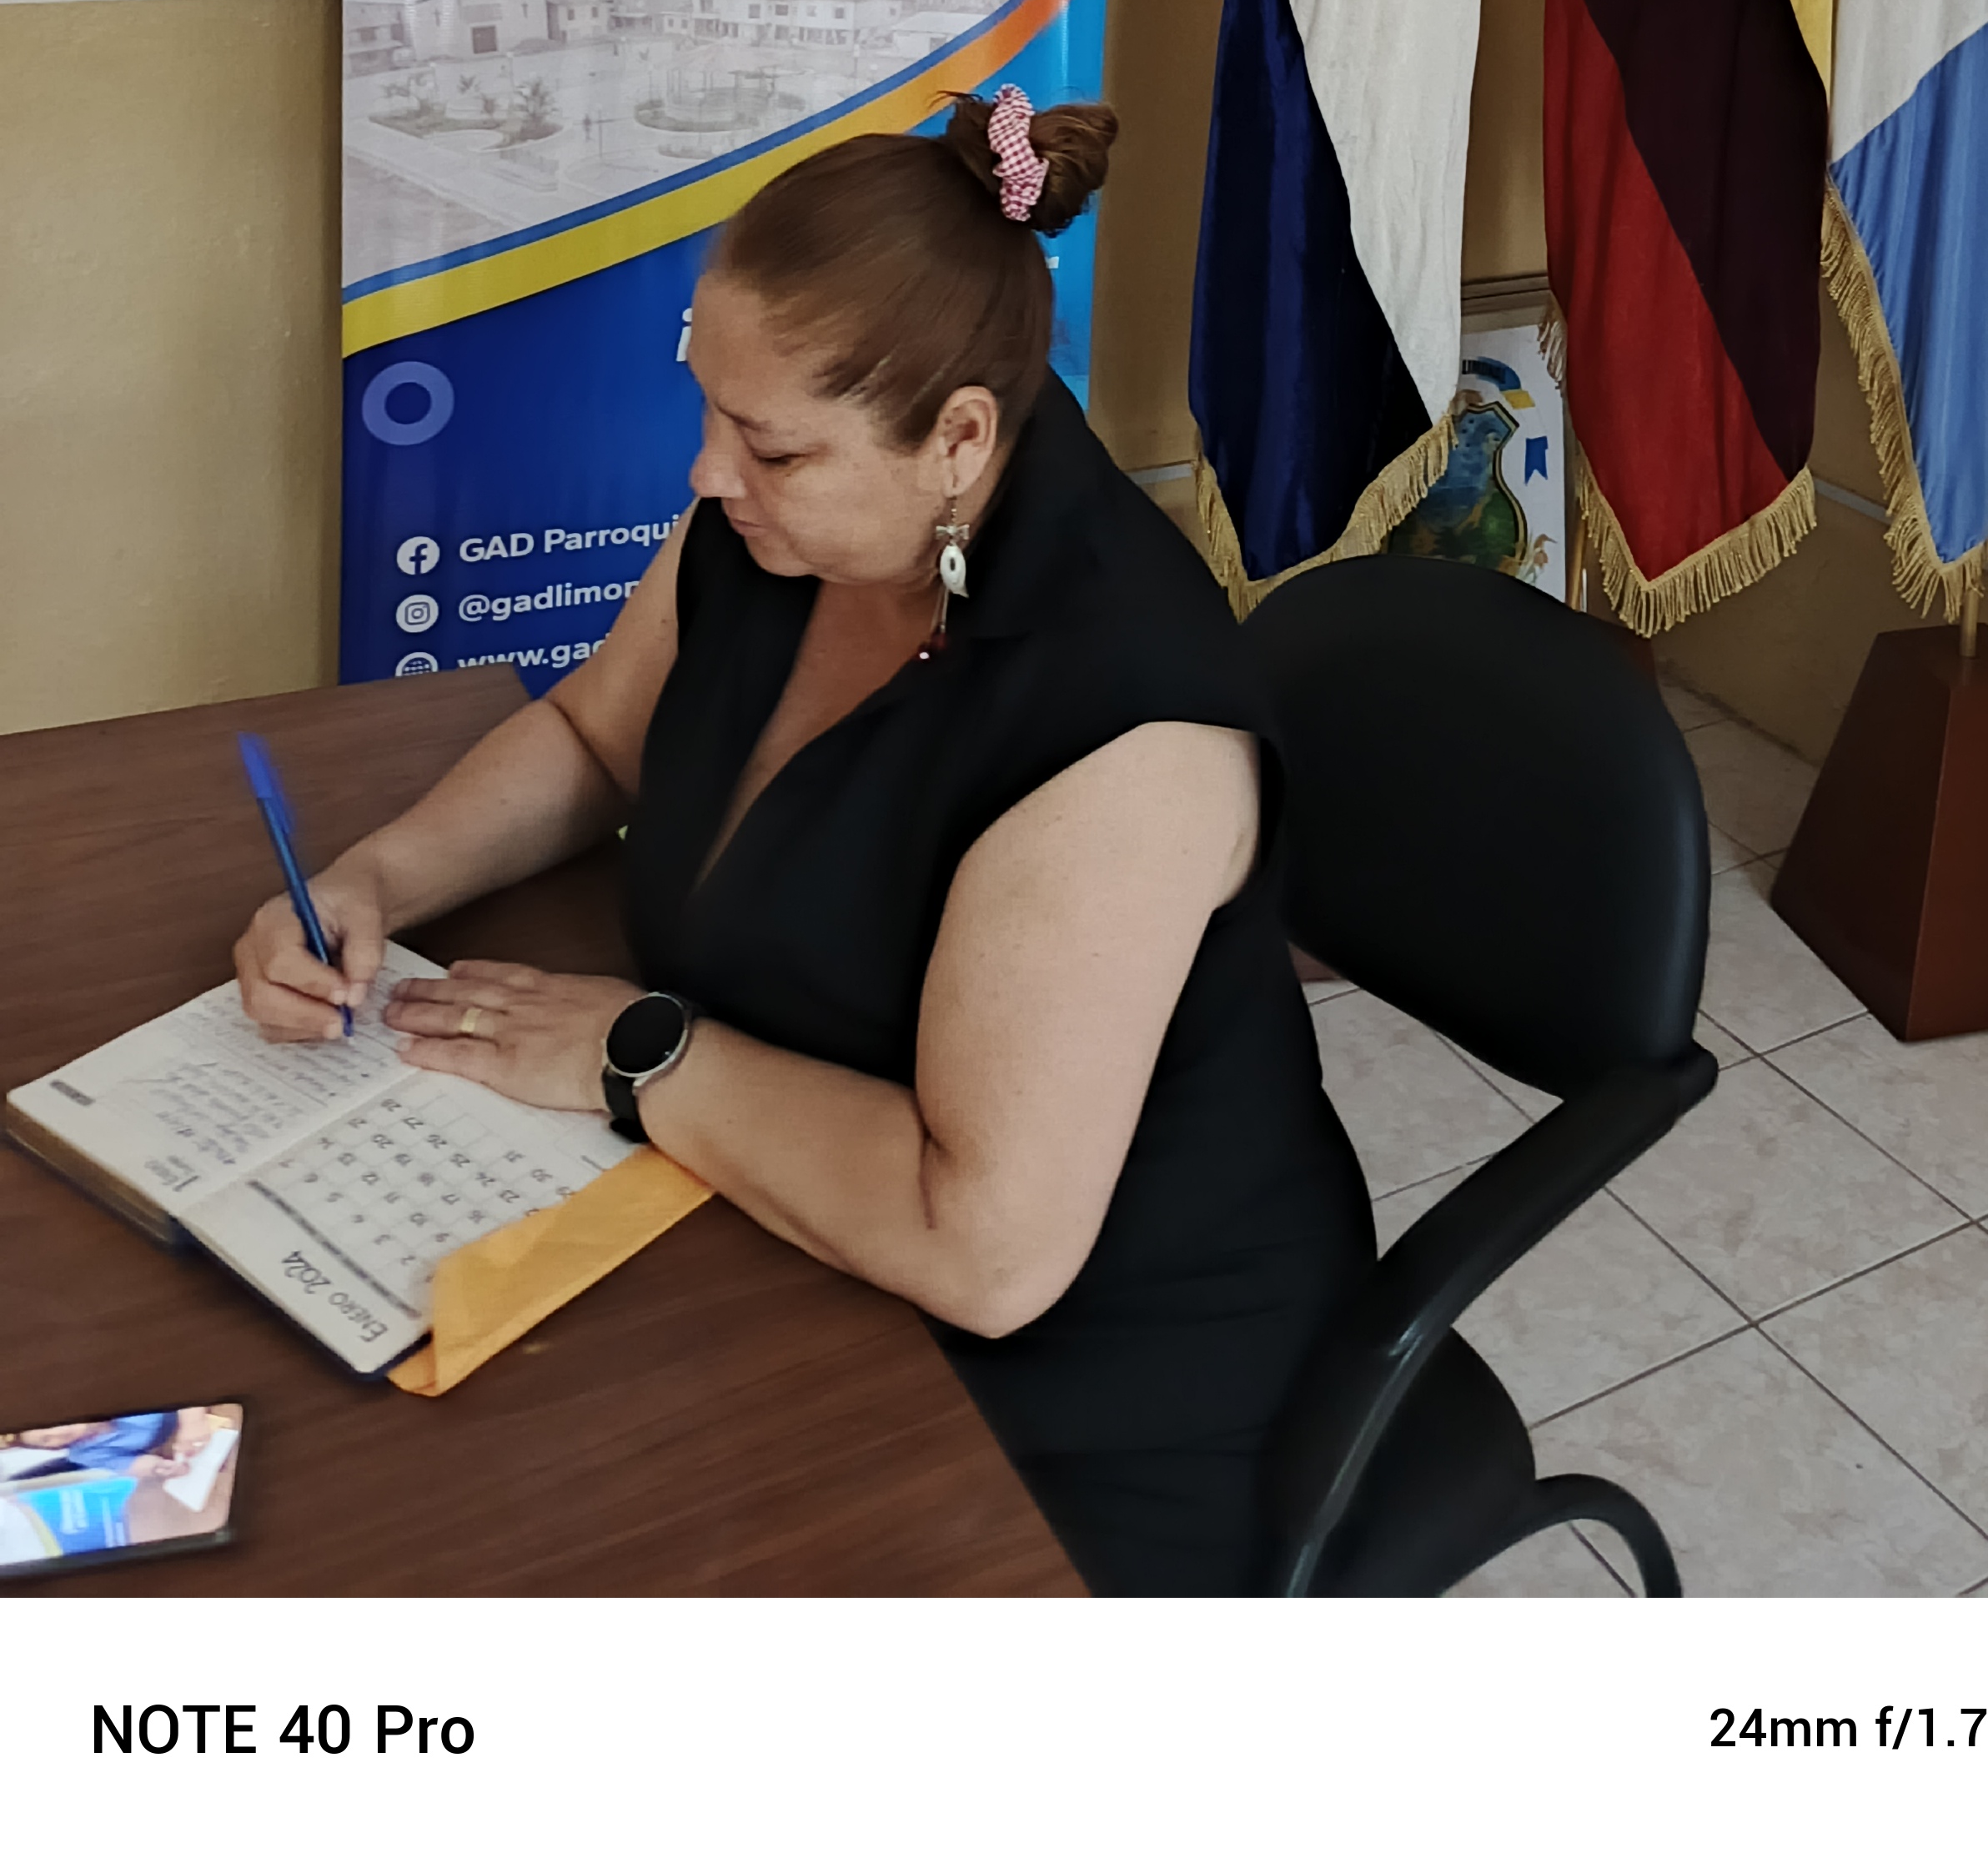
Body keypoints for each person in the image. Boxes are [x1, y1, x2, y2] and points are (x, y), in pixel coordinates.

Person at [234, 89, 1373, 1595]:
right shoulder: (790, 527)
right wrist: (374, 879)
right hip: (797, 1189)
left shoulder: (1125, 741)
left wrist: (637, 1055)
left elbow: (986, 1254)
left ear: (957, 439)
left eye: (769, 448)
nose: (709, 477)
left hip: (1101, 1362)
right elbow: (593, 737)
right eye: (710, 409)